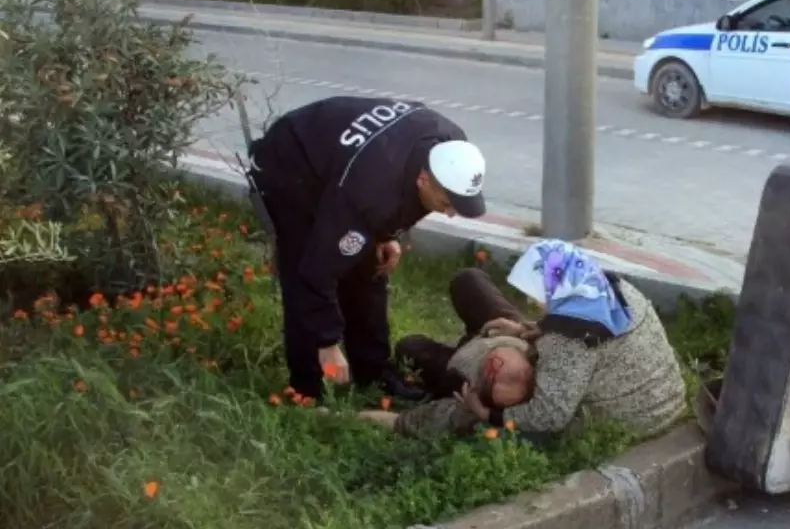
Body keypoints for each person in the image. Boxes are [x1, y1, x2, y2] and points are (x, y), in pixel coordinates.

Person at [248, 96, 488, 401]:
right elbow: (315, 273)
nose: (450, 213)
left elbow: (395, 196)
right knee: (305, 264)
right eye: (445, 204)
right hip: (292, 160)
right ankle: (308, 385)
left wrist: (389, 234)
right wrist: (328, 344)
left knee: (370, 268)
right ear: (423, 178)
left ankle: (372, 371)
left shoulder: (452, 145)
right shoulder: (370, 195)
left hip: (348, 162)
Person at [360, 240, 687, 439]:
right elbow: (595, 338)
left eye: (540, 293)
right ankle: (487, 342)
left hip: (599, 410)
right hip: (634, 393)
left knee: (413, 349)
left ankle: (402, 422)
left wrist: (487, 414)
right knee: (470, 281)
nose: (533, 301)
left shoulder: (567, 344)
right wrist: (528, 329)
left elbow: (548, 416)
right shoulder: (613, 288)